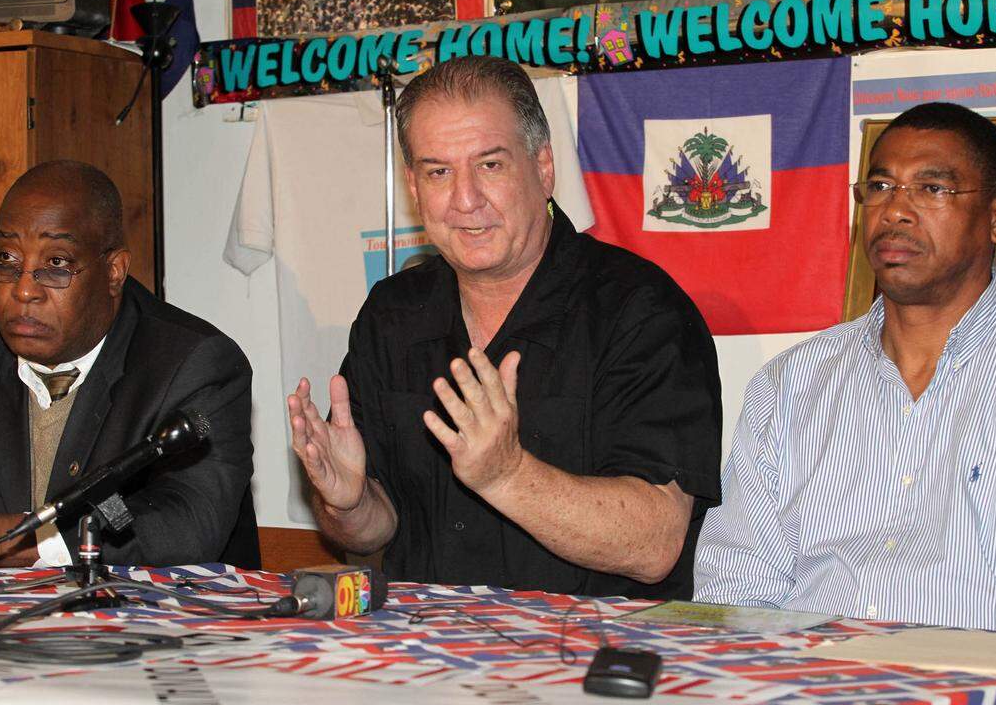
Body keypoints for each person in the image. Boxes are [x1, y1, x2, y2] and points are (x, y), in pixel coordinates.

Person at [287, 56, 721, 599]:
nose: (465, 199)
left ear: (543, 167)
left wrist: (508, 475)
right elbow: (376, 529)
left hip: (592, 646)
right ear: (414, 189)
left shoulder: (641, 310)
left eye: (490, 165)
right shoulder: (392, 313)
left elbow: (655, 544)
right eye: (438, 172)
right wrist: (348, 504)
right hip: (425, 642)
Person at [694, 102, 996, 632]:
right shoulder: (793, 382)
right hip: (806, 672)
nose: (895, 211)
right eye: (881, 187)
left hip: (985, 676)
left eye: (932, 189)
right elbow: (735, 587)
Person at [0, 161, 260, 568]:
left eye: (56, 263)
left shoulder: (191, 364)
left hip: (152, 606)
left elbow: (186, 522)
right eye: (7, 258)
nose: (23, 290)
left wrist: (18, 541)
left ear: (114, 272)